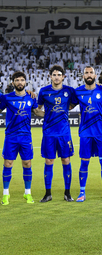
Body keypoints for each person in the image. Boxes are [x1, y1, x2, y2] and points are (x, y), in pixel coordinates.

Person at [1, 71, 44, 205]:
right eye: (17, 80)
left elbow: (36, 111)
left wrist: (52, 115)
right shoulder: (7, 98)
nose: (20, 82)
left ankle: (27, 193)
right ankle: (5, 194)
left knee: (27, 164)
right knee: (8, 164)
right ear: (13, 83)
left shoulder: (31, 97)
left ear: (25, 82)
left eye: (22, 80)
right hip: (11, 136)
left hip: (26, 137)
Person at [38, 65, 78, 203]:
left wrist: (64, 111)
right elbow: (37, 109)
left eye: (59, 74)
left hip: (64, 133)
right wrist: (48, 115)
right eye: (54, 74)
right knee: (49, 161)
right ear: (50, 76)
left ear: (63, 77)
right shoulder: (43, 92)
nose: (56, 77)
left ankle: (67, 193)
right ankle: (47, 193)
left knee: (66, 160)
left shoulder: (69, 91)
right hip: (49, 133)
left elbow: (73, 104)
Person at [73, 66, 102, 202]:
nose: (89, 75)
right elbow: (69, 105)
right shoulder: (77, 92)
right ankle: (82, 192)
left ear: (95, 76)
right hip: (85, 132)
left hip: (101, 132)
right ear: (83, 76)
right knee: (84, 163)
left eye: (91, 73)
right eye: (86, 73)